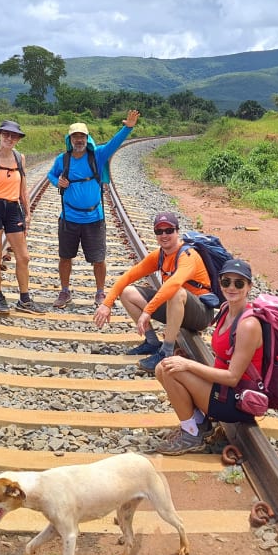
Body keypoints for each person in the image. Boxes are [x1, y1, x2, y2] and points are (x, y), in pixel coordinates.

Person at [154, 258, 260, 455]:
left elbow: (232, 377)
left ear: (249, 287)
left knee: (169, 369)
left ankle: (192, 434)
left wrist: (188, 365)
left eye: (239, 283)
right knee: (164, 367)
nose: (232, 287)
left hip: (236, 401)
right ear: (220, 283)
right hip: (224, 391)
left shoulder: (248, 325)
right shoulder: (226, 310)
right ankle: (199, 424)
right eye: (226, 281)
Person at [93, 211, 215, 372]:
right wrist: (107, 303)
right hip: (176, 308)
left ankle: (166, 352)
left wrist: (148, 311)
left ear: (177, 231)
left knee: (176, 291)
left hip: (200, 314)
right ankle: (152, 342)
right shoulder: (159, 255)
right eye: (159, 231)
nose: (164, 235)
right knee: (127, 292)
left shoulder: (188, 255)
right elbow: (128, 277)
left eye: (169, 230)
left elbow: (174, 283)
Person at [46, 110, 140, 309]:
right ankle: (64, 291)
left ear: (87, 139)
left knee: (99, 259)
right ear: (69, 139)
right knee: (65, 257)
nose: (79, 140)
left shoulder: (97, 156)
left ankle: (100, 293)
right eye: (75, 136)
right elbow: (51, 175)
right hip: (69, 217)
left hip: (94, 218)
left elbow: (114, 143)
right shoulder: (62, 160)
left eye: (82, 136)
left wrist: (128, 127)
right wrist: (58, 182)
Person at [0, 119, 45, 314]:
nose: (9, 138)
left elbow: (23, 188)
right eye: (6, 134)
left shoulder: (20, 158)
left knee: (24, 256)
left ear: (18, 139)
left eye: (14, 135)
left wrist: (28, 213)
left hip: (13, 208)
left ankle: (24, 300)